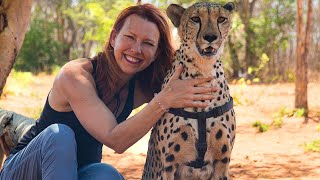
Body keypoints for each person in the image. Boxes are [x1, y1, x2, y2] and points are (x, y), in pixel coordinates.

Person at [0, 3, 216, 180]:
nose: (136, 49)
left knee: (106, 174)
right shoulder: (75, 75)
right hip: (24, 172)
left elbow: (191, 72)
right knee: (61, 135)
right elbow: (116, 140)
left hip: (78, 172)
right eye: (130, 37)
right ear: (114, 38)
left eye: (148, 43)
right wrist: (165, 99)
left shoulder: (143, 85)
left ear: (157, 51)